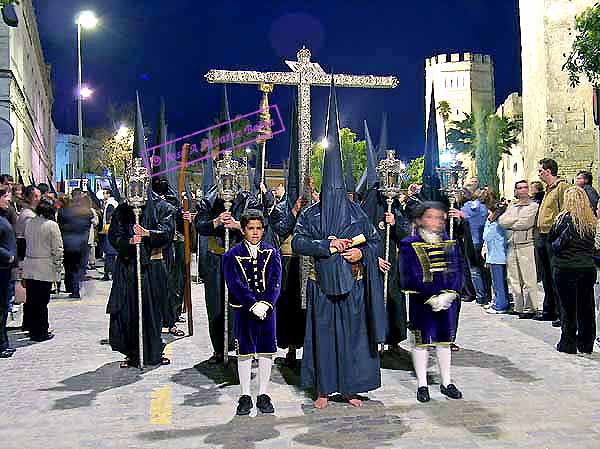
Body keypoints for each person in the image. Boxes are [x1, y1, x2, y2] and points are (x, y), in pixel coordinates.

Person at [292, 84, 386, 409]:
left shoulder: (357, 212)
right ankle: (323, 387)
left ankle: (350, 387)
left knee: (353, 338)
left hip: (354, 286)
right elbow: (299, 241)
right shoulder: (310, 214)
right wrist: (326, 245)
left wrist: (361, 253)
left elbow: (374, 241)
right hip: (321, 287)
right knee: (322, 337)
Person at [192, 154, 259, 364]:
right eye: (224, 176)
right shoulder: (208, 200)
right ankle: (219, 349)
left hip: (241, 260)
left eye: (231, 176)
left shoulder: (247, 199)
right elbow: (200, 225)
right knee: (216, 305)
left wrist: (238, 225)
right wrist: (216, 221)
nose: (227, 179)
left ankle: (245, 345)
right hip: (216, 260)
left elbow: (259, 224)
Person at [399, 202, 463, 403]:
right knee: (422, 342)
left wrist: (451, 293)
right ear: (419, 220)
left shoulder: (450, 242)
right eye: (430, 217)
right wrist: (431, 296)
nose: (436, 221)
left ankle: (446, 381)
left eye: (439, 218)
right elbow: (409, 274)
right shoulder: (409, 244)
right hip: (422, 302)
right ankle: (422, 384)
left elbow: (457, 269)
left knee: (444, 341)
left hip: (446, 301)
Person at [106, 186, 175, 368]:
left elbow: (167, 233)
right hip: (128, 267)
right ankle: (132, 353)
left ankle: (154, 352)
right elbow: (114, 236)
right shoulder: (123, 209)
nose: (135, 189)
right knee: (129, 311)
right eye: (133, 185)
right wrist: (128, 242)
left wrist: (147, 234)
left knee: (152, 312)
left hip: (153, 266)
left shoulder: (162, 207)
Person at [223, 209, 282, 416]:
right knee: (245, 351)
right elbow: (234, 283)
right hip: (243, 311)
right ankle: (245, 394)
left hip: (267, 311)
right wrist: (252, 304)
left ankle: (263, 394)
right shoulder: (232, 255)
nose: (255, 233)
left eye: (259, 228)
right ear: (243, 229)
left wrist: (266, 303)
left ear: (263, 230)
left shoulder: (272, 252)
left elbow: (275, 281)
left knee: (266, 350)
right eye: (251, 229)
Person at [548, 186, 597, 354]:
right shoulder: (590, 220)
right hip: (588, 268)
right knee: (586, 306)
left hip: (566, 267)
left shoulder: (562, 219)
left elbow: (553, 242)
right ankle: (586, 343)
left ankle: (568, 343)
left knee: (568, 308)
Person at [22, 198, 63, 342]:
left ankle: (32, 329)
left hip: (29, 265)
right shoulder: (52, 226)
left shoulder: (29, 223)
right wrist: (58, 268)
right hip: (44, 267)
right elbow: (57, 249)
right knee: (42, 302)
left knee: (32, 300)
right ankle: (41, 331)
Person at [535, 158, 570, 325]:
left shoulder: (561, 187)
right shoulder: (548, 189)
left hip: (552, 236)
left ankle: (561, 314)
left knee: (556, 276)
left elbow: (565, 212)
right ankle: (549, 310)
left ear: (548, 171)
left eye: (541, 170)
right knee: (546, 276)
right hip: (542, 235)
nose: (539, 173)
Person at [499, 180, 540, 319]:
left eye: (524, 187)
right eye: (519, 188)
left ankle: (530, 308)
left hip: (526, 244)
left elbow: (525, 223)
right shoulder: (512, 205)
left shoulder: (533, 206)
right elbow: (502, 221)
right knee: (514, 278)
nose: (522, 190)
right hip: (512, 245)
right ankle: (519, 306)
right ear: (516, 190)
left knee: (528, 277)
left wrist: (512, 222)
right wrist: (514, 220)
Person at [449, 189, 492, 305]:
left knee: (474, 270)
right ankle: (488, 294)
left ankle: (480, 296)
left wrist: (461, 215)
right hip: (483, 242)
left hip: (471, 241)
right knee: (485, 270)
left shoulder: (470, 206)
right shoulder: (486, 208)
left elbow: (460, 217)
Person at [58, 190, 91, 299]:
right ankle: (76, 288)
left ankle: (71, 287)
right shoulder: (86, 212)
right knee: (79, 267)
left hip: (67, 243)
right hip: (82, 243)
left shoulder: (64, 211)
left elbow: (60, 225)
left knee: (69, 267)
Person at [482, 202, 509, 314]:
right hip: (497, 256)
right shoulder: (501, 222)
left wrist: (488, 222)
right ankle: (499, 301)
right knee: (499, 282)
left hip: (496, 257)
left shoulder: (495, 224)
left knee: (498, 283)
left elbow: (486, 236)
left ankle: (500, 305)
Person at [0, 186, 16, 358]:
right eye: (5, 196)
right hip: (2, 266)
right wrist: (8, 256)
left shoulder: (4, 216)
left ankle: (3, 342)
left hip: (5, 269)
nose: (8, 199)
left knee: (4, 307)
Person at [100, 189, 118, 281]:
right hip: (112, 230)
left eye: (104, 193)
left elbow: (109, 218)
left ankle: (109, 273)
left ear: (108, 194)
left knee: (109, 253)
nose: (103, 195)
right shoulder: (113, 203)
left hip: (109, 231)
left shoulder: (110, 204)